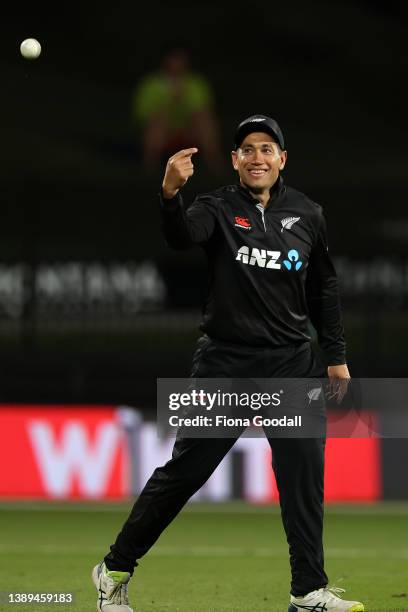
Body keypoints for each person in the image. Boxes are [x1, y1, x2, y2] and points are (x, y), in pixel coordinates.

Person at [92, 115, 364, 612]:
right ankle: (114, 569)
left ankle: (307, 591)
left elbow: (323, 285)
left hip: (292, 365)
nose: (256, 157)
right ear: (235, 160)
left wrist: (337, 356)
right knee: (186, 473)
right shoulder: (216, 207)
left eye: (266, 148)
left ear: (282, 159)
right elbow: (180, 238)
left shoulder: (308, 213)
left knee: (303, 477)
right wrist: (170, 196)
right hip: (226, 365)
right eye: (246, 149)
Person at [131, 46, 224, 174]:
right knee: (157, 125)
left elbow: (204, 110)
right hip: (163, 132)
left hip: (189, 130)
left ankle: (216, 166)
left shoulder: (195, 83)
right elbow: (144, 116)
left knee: (205, 123)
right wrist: (169, 104)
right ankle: (149, 168)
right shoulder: (151, 84)